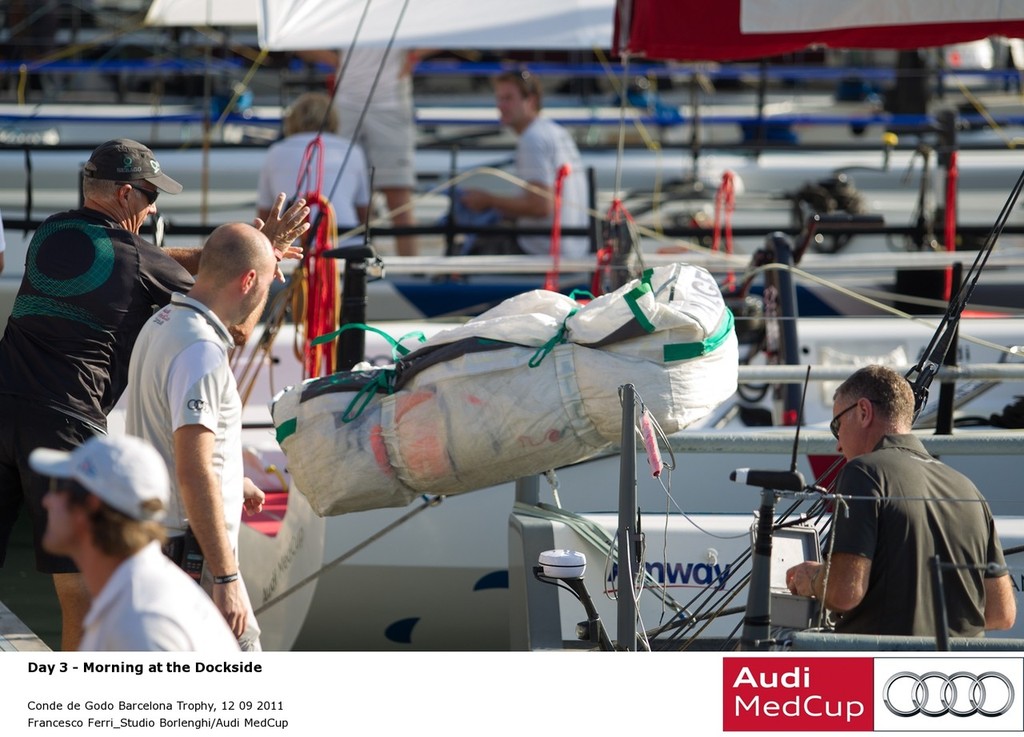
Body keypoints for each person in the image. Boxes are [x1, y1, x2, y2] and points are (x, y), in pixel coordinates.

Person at [0, 138, 308, 651]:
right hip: (66, 424)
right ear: (124, 194)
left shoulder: (52, 233)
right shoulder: (139, 260)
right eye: (148, 195)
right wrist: (267, 254)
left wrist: (247, 249)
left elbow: (153, 256)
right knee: (84, 593)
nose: (154, 206)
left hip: (2, 398)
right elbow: (224, 298)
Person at [125, 222, 280, 651]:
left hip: (161, 543)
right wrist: (227, 578)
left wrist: (233, 480)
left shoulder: (162, 323)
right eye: (267, 283)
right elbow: (193, 471)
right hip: (192, 555)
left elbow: (171, 435)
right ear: (249, 281)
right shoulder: (201, 353)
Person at [786, 364, 1016, 637]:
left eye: (837, 425)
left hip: (883, 670)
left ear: (863, 412)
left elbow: (845, 593)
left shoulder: (863, 472)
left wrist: (811, 578)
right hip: (961, 674)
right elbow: (1001, 613)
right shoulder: (969, 489)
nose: (838, 444)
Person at [31, 434, 240, 651]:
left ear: (91, 505)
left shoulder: (138, 622)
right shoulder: (135, 594)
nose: (47, 500)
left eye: (59, 487)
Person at [299, 47, 425, 257]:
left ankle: (411, 274)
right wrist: (337, 61)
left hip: (388, 104)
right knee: (342, 192)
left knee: (398, 196)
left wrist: (415, 55)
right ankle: (351, 267)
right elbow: (299, 39)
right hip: (349, 104)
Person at [459, 70, 589, 259]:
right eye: (499, 99)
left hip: (545, 252)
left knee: (466, 253)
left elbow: (541, 207)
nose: (501, 106)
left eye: (509, 98)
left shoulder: (532, 138)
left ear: (531, 101)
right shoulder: (555, 131)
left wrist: (488, 201)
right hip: (574, 249)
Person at [258, 91, 370, 246]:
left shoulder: (276, 151)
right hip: (345, 241)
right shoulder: (353, 151)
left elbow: (265, 213)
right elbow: (363, 210)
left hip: (291, 245)